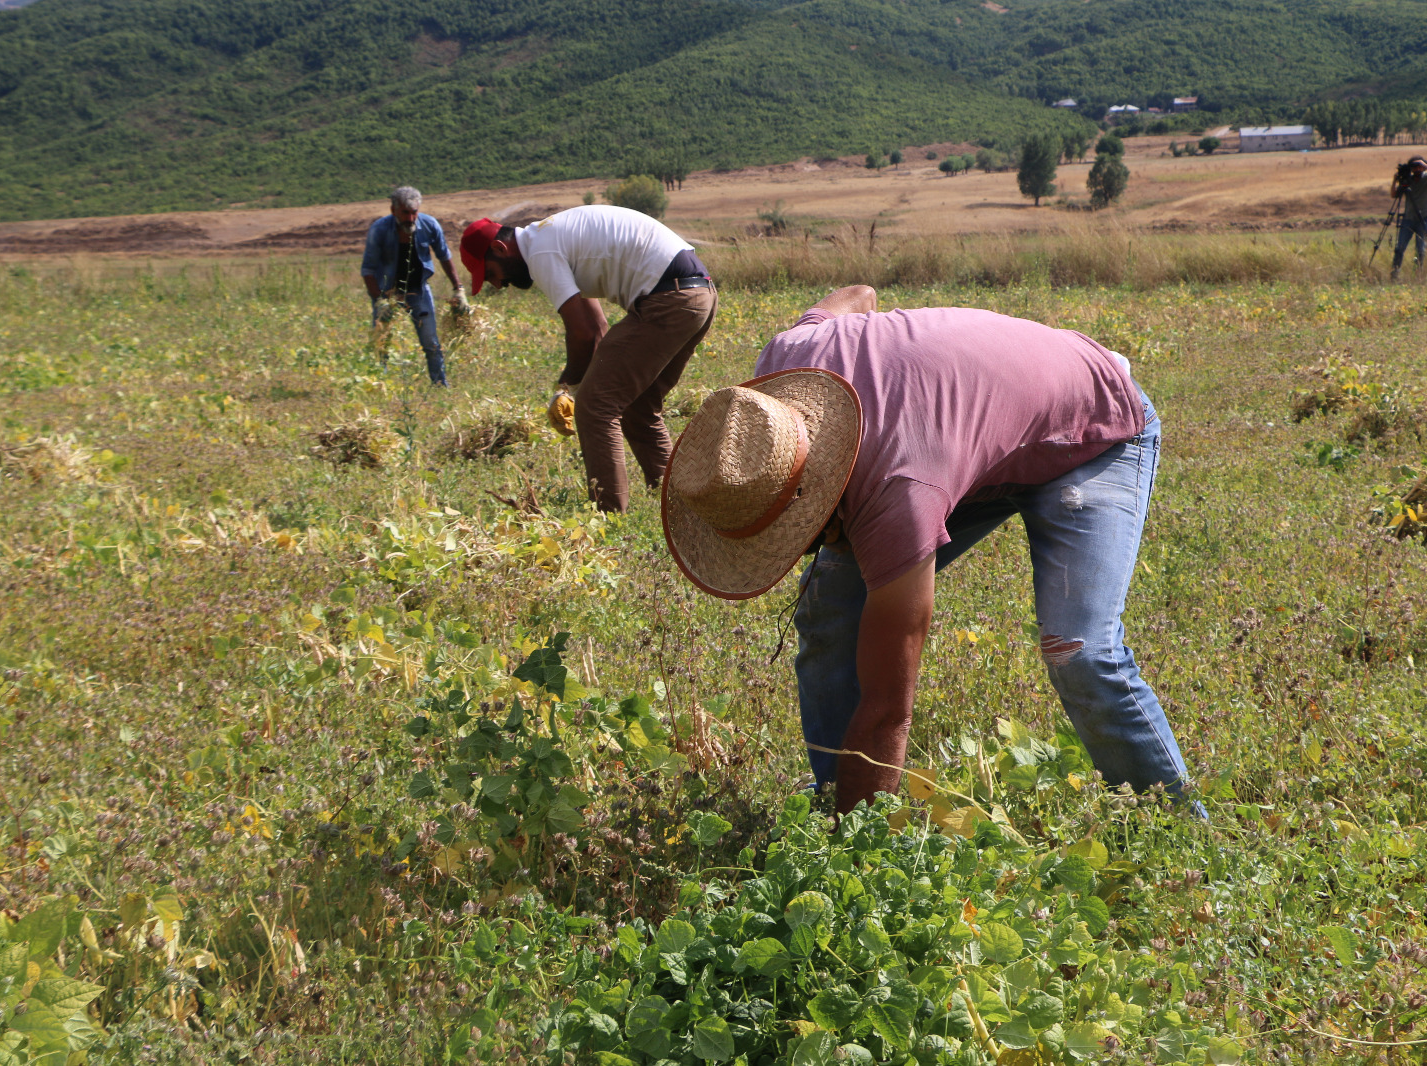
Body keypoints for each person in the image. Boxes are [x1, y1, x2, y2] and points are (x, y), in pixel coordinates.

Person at [660, 285, 1195, 815]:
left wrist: (856, 856)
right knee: (827, 606)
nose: (795, 549)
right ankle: (831, 799)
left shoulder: (900, 490)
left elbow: (888, 707)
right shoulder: (783, 366)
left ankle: (1178, 834)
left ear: (812, 492)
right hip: (970, 445)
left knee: (1079, 651)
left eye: (791, 534)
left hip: (1093, 425)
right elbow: (856, 294)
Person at [458, 205, 717, 512]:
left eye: (491, 274)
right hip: (698, 294)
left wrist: (566, 387)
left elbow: (581, 332)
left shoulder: (539, 251)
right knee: (638, 406)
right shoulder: (552, 237)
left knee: (595, 408)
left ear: (500, 248)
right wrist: (581, 382)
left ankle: (608, 517)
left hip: (669, 299)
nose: (498, 285)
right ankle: (681, 506)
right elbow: (597, 328)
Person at [362, 186, 468, 387]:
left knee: (431, 342)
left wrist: (459, 289)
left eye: (414, 213)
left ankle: (439, 384)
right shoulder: (379, 230)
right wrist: (380, 301)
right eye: (405, 213)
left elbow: (444, 256)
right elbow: (368, 269)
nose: (410, 218)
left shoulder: (429, 225)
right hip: (388, 293)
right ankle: (378, 386)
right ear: (393, 210)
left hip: (418, 290)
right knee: (381, 342)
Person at [1390, 156, 1427, 281]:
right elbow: (1394, 195)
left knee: (1421, 250)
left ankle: (1418, 274)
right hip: (1408, 219)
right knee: (1400, 247)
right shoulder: (1407, 181)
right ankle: (1395, 273)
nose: (1417, 170)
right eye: (1414, 167)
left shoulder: (1425, 178)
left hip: (1423, 219)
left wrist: (1424, 165)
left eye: (1419, 167)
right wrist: (1395, 181)